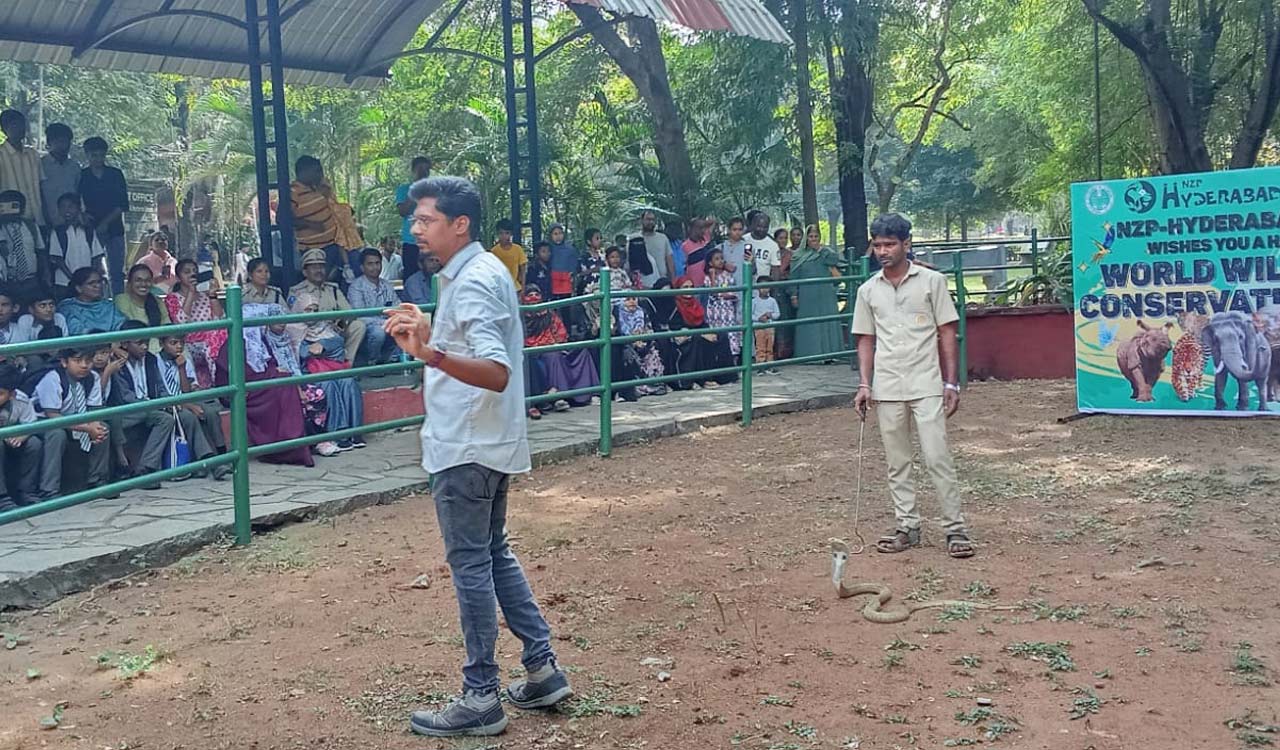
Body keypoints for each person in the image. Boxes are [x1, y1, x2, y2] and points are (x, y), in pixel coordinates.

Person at [383, 175, 571, 737]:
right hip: (483, 439)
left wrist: (431, 350)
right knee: (492, 551)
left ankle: (480, 694)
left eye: (426, 219)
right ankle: (540, 668)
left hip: (467, 443)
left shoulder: (473, 281)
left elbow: (493, 370)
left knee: (471, 562)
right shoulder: (474, 274)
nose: (416, 229)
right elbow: (475, 347)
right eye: (415, 220)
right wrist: (430, 332)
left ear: (459, 224)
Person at [851, 213, 974, 559]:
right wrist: (864, 383)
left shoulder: (932, 282)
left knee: (937, 456)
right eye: (877, 245)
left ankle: (955, 529)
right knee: (897, 461)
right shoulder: (867, 291)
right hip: (887, 385)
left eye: (890, 244)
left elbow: (948, 332)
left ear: (907, 244)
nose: (883, 251)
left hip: (927, 382)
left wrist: (952, 382)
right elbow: (865, 339)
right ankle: (907, 526)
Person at [214, 304, 314, 467]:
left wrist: (276, 372)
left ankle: (291, 444)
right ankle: (281, 446)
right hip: (243, 391)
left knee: (285, 384)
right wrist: (274, 373)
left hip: (261, 386)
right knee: (283, 385)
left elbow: (270, 364)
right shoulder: (234, 344)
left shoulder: (259, 341)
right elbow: (240, 376)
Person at [29, 344, 111, 499]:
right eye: (77, 360)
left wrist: (94, 425)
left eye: (88, 360)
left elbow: (94, 409)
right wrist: (87, 429)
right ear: (65, 362)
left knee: (102, 428)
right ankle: (49, 489)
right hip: (41, 421)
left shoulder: (92, 377)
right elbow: (52, 416)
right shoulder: (53, 378)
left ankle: (97, 480)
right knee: (56, 434)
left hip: (76, 418)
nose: (84, 365)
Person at [291, 291, 365, 451]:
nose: (312, 314)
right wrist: (311, 349)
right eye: (307, 310)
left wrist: (323, 345)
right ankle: (337, 434)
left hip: (329, 368)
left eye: (315, 310)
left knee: (348, 382)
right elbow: (300, 355)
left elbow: (338, 345)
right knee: (328, 383)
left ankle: (356, 433)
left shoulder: (324, 326)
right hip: (306, 375)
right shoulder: (293, 329)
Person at [155, 332, 230, 479]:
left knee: (209, 412)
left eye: (181, 343)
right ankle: (210, 462)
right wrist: (188, 405)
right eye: (173, 343)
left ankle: (223, 455)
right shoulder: (156, 362)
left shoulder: (185, 360)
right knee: (189, 417)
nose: (178, 347)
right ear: (162, 344)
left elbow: (187, 390)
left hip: (185, 398)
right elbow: (163, 393)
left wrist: (182, 368)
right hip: (168, 403)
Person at [521, 288, 600, 417]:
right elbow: (524, 339)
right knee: (553, 355)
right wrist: (543, 344)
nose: (534, 297)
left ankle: (592, 393)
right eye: (530, 295)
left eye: (537, 294)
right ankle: (559, 397)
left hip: (556, 345)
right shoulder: (522, 317)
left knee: (583, 350)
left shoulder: (550, 314)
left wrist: (557, 342)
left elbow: (561, 333)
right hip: (536, 351)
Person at [288, 247, 366, 364]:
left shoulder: (333, 289)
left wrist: (340, 324)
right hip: (311, 335)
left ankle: (346, 365)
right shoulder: (297, 291)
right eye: (314, 267)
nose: (319, 270)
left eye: (321, 267)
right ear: (305, 272)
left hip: (334, 331)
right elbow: (295, 323)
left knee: (358, 326)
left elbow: (349, 313)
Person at [78, 137, 130, 293]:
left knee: (117, 272)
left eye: (101, 155)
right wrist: (83, 216)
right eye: (94, 155)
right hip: (91, 228)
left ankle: (119, 302)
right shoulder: (82, 176)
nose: (98, 159)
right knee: (93, 270)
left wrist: (106, 223)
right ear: (87, 155)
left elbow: (122, 204)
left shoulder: (115, 174)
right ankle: (96, 300)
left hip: (115, 228)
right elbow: (76, 200)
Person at [166, 259, 227, 389]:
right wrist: (191, 294)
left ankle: (222, 381)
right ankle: (221, 384)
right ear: (178, 277)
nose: (192, 275)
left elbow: (219, 319)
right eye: (187, 272)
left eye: (195, 272)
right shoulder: (172, 298)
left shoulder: (204, 296)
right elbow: (180, 322)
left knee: (217, 334)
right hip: (189, 343)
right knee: (212, 339)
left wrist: (212, 296)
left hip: (210, 342)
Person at [665, 276, 735, 390]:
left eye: (691, 287)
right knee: (698, 340)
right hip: (684, 338)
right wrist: (700, 334)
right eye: (685, 287)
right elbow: (676, 327)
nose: (689, 290)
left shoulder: (695, 304)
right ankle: (702, 380)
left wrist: (709, 332)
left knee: (721, 335)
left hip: (698, 333)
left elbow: (702, 323)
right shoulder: (674, 306)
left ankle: (725, 377)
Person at [790, 224, 845, 360]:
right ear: (806, 238)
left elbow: (834, 260)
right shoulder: (798, 256)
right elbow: (793, 276)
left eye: (816, 236)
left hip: (826, 293)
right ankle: (810, 356)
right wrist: (793, 295)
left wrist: (820, 250)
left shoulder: (826, 253)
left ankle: (831, 354)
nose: (813, 239)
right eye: (810, 236)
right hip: (807, 295)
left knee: (827, 322)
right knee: (810, 325)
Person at [291, 155, 347, 284]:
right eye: (317, 171)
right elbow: (283, 219)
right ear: (305, 172)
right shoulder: (294, 191)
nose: (320, 175)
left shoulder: (318, 187)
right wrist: (310, 225)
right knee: (319, 281)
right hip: (314, 249)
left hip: (333, 244)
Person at [0, 111, 46, 257]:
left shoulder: (33, 155)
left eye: (22, 123)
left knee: (40, 259)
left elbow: (41, 186)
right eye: (13, 124)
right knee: (16, 262)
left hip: (37, 218)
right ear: (4, 129)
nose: (19, 128)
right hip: (10, 221)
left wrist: (45, 215)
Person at [0, 363, 43, 510]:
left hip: (11, 437)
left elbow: (31, 424)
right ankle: (2, 497)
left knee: (34, 443)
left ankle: (26, 491)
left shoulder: (21, 400)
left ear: (12, 394)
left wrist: (21, 436)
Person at [348, 248, 401, 364]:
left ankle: (393, 360)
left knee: (405, 325)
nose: (375, 267)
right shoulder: (356, 287)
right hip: (368, 329)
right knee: (378, 332)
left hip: (386, 324)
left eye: (377, 263)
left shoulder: (387, 285)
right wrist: (384, 322)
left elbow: (397, 306)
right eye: (370, 264)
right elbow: (358, 315)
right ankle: (373, 362)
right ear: (362, 267)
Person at [48, 192, 107, 297]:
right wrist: (73, 278)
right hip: (64, 281)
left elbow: (96, 256)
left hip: (87, 282)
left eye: (70, 206)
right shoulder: (58, 231)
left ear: (78, 208)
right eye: (62, 207)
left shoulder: (88, 230)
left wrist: (90, 277)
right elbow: (58, 259)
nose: (67, 210)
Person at [616, 295, 667, 398]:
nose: (632, 302)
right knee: (627, 353)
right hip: (625, 343)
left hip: (642, 341)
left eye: (634, 299)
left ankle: (655, 385)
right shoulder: (617, 314)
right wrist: (632, 341)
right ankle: (634, 388)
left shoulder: (642, 312)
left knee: (654, 348)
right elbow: (617, 333)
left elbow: (649, 330)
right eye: (627, 299)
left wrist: (644, 340)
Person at [395, 156, 432, 280]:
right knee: (411, 276)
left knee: (431, 275)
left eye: (426, 170)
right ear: (413, 171)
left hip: (430, 241)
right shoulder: (404, 190)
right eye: (419, 169)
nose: (423, 173)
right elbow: (403, 211)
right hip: (411, 241)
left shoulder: (435, 191)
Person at [40, 124, 81, 234]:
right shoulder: (40, 165)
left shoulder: (75, 167)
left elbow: (78, 194)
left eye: (66, 141)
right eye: (59, 141)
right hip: (46, 222)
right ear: (49, 143)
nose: (63, 145)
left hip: (71, 223)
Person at [58, 268, 125, 335]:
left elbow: (121, 325)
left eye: (99, 282)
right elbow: (77, 331)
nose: (98, 286)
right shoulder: (68, 308)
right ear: (79, 288)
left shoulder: (108, 306)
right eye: (91, 283)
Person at [703, 247, 741, 356]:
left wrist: (725, 295)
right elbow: (714, 292)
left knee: (731, 334)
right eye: (717, 259)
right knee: (716, 334)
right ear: (710, 263)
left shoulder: (728, 276)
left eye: (722, 258)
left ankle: (733, 359)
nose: (720, 261)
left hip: (727, 310)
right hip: (714, 312)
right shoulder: (708, 278)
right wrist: (713, 276)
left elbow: (733, 293)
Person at [0, 190, 40, 284]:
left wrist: (45, 274)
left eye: (13, 206)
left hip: (32, 278)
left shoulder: (31, 226)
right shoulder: (1, 227)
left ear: (22, 208)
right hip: (8, 280)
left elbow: (40, 250)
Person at [772, 226, 795, 361]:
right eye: (781, 238)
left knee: (785, 319)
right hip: (773, 287)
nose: (784, 240)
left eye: (785, 238)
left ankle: (784, 351)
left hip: (785, 290)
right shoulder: (772, 251)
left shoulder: (790, 254)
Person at [635, 209, 675, 287]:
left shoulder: (663, 238)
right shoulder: (635, 239)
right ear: (642, 220)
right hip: (643, 284)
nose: (651, 222)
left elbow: (669, 260)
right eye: (648, 219)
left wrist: (673, 280)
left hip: (662, 282)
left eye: (653, 220)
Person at [489, 219, 525, 292]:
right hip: (499, 288)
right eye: (501, 233)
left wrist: (523, 288)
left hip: (516, 288)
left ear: (511, 234)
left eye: (507, 233)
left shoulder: (517, 249)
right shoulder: (494, 251)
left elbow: (523, 269)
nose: (504, 236)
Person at [752, 277, 780, 371]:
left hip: (770, 327)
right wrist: (758, 319)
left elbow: (777, 314)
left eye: (767, 287)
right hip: (758, 327)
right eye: (762, 287)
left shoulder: (772, 301)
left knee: (770, 346)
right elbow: (749, 315)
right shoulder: (754, 301)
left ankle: (769, 365)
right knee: (760, 347)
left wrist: (770, 315)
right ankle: (760, 365)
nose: (764, 289)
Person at [680, 217, 714, 288]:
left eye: (703, 228)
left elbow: (713, 222)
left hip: (707, 283)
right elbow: (683, 267)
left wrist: (705, 223)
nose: (702, 230)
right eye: (700, 228)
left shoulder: (705, 240)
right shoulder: (685, 246)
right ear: (692, 229)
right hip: (694, 285)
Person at [719, 217, 750, 287]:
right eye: (734, 229)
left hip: (743, 286)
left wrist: (751, 262)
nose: (737, 232)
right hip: (725, 289)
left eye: (740, 229)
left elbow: (753, 271)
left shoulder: (747, 247)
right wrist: (724, 265)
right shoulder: (720, 248)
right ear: (729, 230)